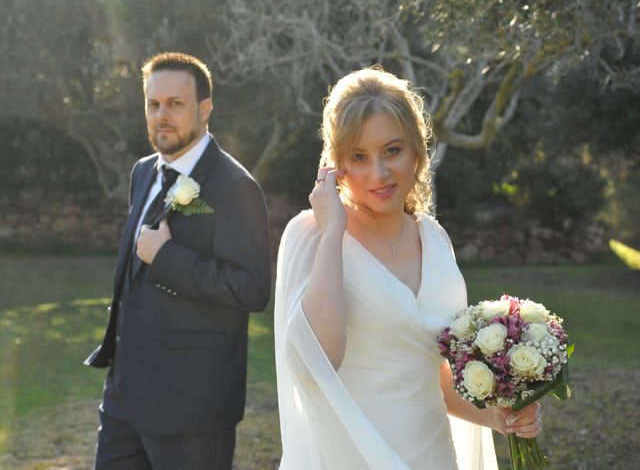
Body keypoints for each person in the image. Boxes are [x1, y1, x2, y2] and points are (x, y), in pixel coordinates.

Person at [274, 67, 542, 469]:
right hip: (351, 455)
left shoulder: (435, 239)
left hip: (432, 453)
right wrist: (333, 233)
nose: (378, 174)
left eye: (392, 150)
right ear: (337, 165)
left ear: (417, 150)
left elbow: (432, 375)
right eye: (359, 157)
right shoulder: (312, 236)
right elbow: (318, 363)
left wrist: (497, 417)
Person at [85, 52, 271, 469]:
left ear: (205, 109)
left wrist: (167, 257)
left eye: (175, 104)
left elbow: (253, 288)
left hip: (192, 405)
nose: (161, 115)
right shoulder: (143, 172)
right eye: (153, 104)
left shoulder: (234, 186)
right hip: (123, 396)